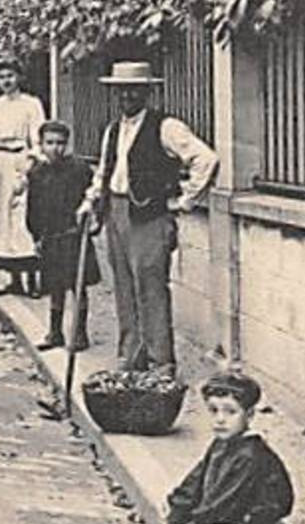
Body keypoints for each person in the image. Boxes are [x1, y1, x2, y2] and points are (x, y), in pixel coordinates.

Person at [78, 60, 219, 375]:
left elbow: (205, 159)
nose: (127, 96)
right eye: (121, 90)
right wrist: (90, 203)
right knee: (124, 287)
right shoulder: (113, 129)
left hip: (149, 217)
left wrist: (184, 201)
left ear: (147, 92)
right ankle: (131, 357)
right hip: (116, 210)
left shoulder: (166, 127)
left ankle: (160, 362)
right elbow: (104, 171)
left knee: (150, 287)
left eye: (134, 90)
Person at [126, 369, 296, 524]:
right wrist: (176, 517)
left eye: (230, 412)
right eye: (214, 411)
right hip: (223, 515)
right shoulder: (220, 444)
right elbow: (195, 483)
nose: (220, 419)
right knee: (176, 519)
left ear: (249, 415)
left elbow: (222, 505)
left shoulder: (250, 455)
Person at [25, 120, 102, 351]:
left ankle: (79, 333)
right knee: (54, 285)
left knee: (77, 285)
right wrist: (36, 236)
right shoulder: (38, 173)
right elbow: (33, 208)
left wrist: (93, 222)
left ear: (67, 144)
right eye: (50, 143)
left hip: (74, 236)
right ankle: (55, 331)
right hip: (51, 237)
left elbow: (93, 198)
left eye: (60, 143)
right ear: (41, 144)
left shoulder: (79, 170)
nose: (55, 148)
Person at [0, 58, 45, 297]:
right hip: (0, 163)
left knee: (24, 219)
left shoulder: (31, 104)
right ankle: (14, 279)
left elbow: (37, 136)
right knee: (3, 222)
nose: (6, 81)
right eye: (2, 77)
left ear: (19, 77)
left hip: (21, 162)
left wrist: (31, 163)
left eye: (10, 76)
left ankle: (33, 280)